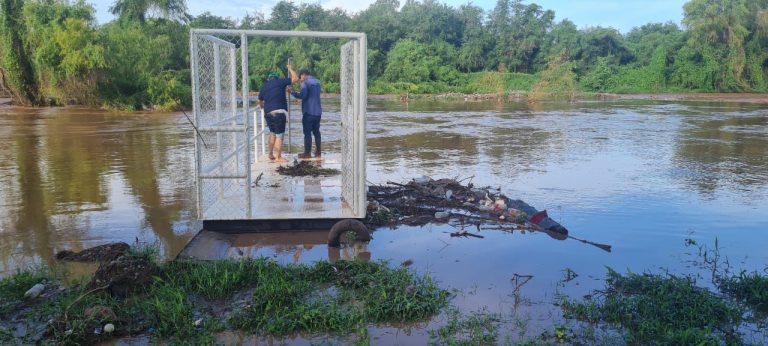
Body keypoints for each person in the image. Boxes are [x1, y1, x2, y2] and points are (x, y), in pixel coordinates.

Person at [257, 72, 295, 163]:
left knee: (272, 133)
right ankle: (278, 157)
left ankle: (270, 154)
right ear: (276, 78)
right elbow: (295, 78)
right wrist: (290, 69)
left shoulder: (264, 86)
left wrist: (263, 107)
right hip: (279, 112)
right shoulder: (280, 81)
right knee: (279, 135)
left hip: (268, 113)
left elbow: (259, 102)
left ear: (269, 79)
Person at [287, 65, 322, 159]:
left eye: (300, 77)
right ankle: (318, 152)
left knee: (307, 133)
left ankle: (307, 153)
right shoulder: (317, 82)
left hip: (309, 112)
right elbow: (311, 96)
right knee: (316, 132)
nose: (300, 80)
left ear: (303, 75)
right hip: (318, 112)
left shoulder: (305, 83)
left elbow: (302, 95)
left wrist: (292, 92)